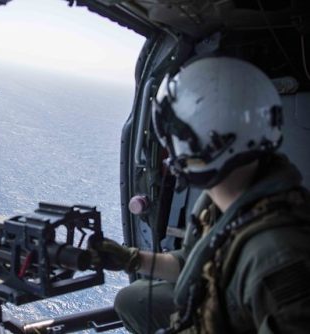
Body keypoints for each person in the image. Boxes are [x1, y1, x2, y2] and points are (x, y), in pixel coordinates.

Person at [93, 57, 310, 333]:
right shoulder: (222, 201)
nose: (170, 155)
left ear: (200, 144)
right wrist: (130, 259)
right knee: (132, 300)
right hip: (223, 305)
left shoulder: (276, 259)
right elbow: (191, 263)